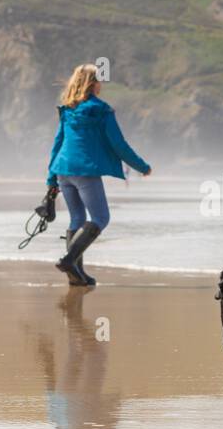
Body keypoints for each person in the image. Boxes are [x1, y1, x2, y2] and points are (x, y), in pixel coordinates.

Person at [46, 63, 151, 286]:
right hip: (85, 171)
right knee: (101, 218)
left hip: (63, 170)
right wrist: (142, 166)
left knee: (77, 218)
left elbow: (57, 144)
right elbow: (118, 144)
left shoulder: (68, 109)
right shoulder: (101, 110)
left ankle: (76, 275)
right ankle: (68, 260)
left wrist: (51, 178)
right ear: (93, 83)